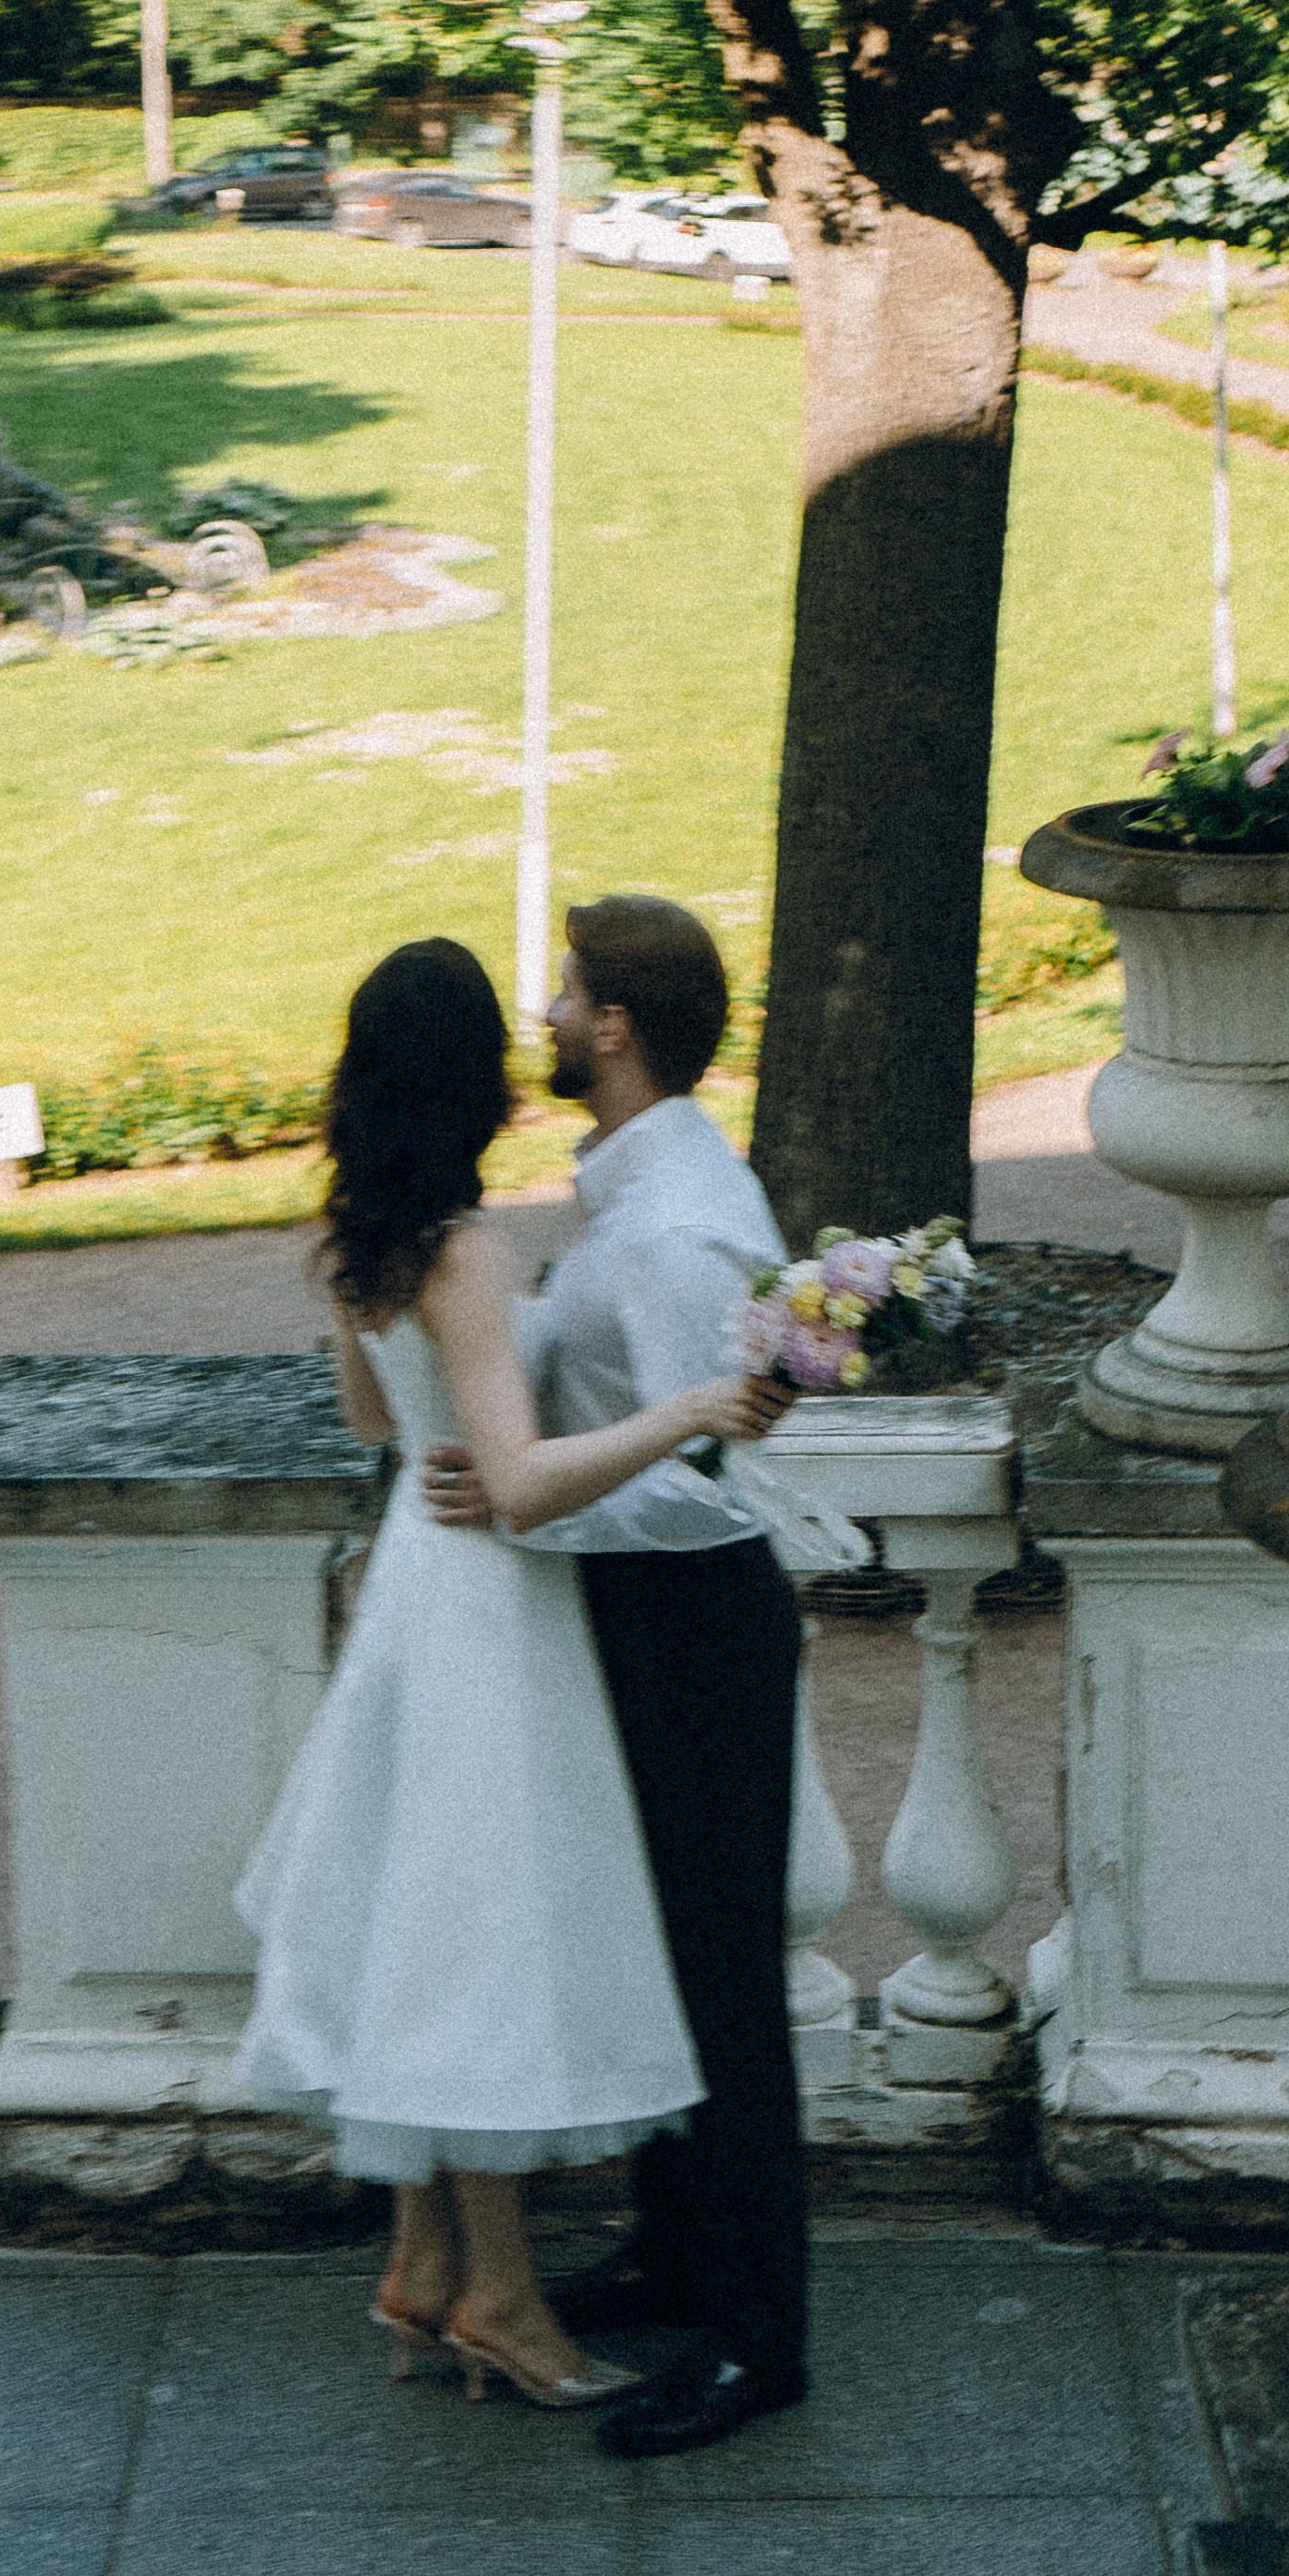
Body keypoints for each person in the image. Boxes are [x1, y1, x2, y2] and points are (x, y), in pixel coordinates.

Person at [234, 936, 794, 2410]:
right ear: (472, 1073)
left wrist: (461, 1424)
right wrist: (695, 1405)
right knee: (485, 1937)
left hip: (420, 1582)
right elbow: (526, 1484)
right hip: (493, 1599)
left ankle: (432, 2266)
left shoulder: (370, 1239)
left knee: (426, 1915)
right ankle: (498, 2300)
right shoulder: (475, 1250)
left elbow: (377, 1424)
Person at [424, 894, 811, 2458]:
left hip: (691, 1622)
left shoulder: (675, 1224)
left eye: (567, 989)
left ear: (617, 1029)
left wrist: (521, 1509)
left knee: (721, 1987)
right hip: (649, 1618)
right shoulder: (643, 1190)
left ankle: (758, 2341)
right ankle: (679, 2252)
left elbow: (704, 1477)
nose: (546, 1006)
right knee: (663, 1955)